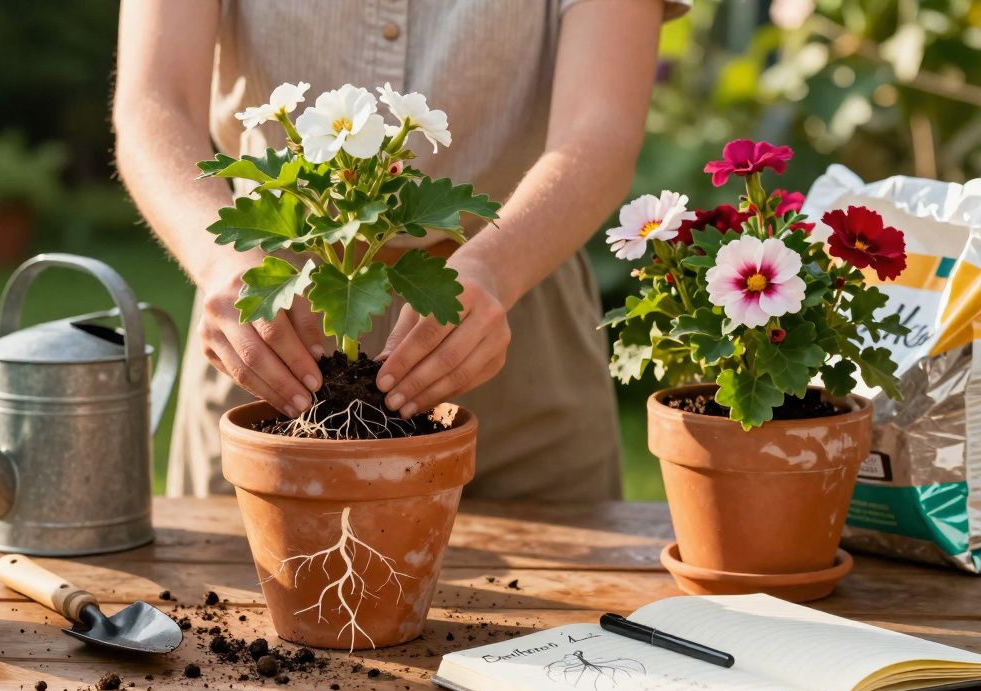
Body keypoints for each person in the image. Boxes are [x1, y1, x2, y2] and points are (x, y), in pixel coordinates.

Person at [114, 0, 689, 502]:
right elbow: (154, 101)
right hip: (271, 324)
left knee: (561, 619)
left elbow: (601, 128)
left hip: (506, 312)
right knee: (242, 611)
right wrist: (218, 260)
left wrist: (496, 266)